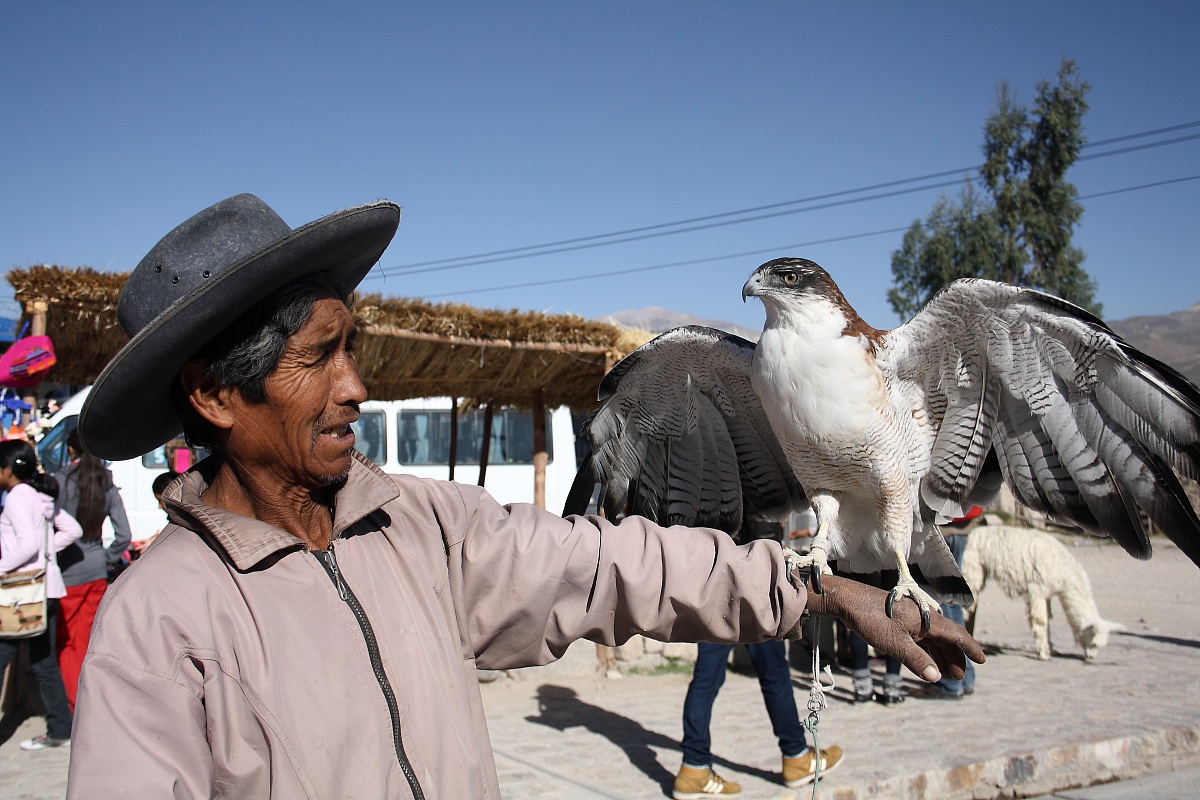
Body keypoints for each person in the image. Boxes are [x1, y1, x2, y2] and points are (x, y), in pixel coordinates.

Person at [66, 194, 983, 798]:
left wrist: (819, 588)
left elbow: (614, 563)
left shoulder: (416, 528)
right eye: (318, 357)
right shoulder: (160, 622)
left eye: (355, 347)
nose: (356, 387)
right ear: (215, 394)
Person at [676, 514, 843, 798]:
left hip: (711, 578)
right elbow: (761, 526)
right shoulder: (745, 468)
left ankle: (693, 767)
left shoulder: (704, 468)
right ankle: (796, 757)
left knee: (706, 678)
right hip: (752, 583)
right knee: (774, 675)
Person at [0, 442, 83, 750]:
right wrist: (47, 557)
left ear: (8, 470)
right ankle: (61, 728)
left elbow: (26, 545)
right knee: (44, 661)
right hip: (46, 589)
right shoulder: (38, 497)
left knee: (4, 657)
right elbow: (71, 530)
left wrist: (3, 566)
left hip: (21, 594)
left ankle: (61, 728)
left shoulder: (17, 499)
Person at [53, 429, 133, 711]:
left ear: (71, 451)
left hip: (68, 571)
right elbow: (123, 535)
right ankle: (95, 699)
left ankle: (75, 705)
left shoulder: (61, 482)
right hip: (96, 569)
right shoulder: (106, 482)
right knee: (89, 639)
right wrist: (106, 558)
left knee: (66, 641)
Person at [910, 507, 982, 700]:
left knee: (936, 606)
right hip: (960, 529)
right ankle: (964, 676)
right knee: (951, 601)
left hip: (938, 533)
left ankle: (950, 681)